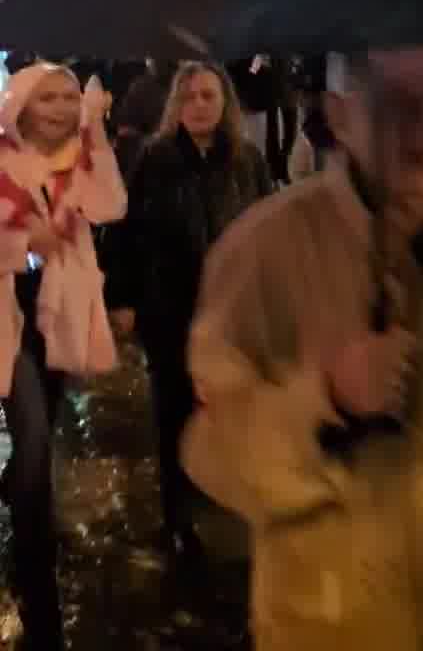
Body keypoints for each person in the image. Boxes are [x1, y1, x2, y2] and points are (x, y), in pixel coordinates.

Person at [182, 48, 423, 651]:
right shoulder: (262, 252)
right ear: (339, 116)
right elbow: (212, 453)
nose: (420, 129)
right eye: (393, 104)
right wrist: (325, 396)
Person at [114, 61, 271, 567]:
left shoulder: (247, 160)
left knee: (232, 405)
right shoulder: (155, 159)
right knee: (175, 411)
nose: (200, 105)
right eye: (190, 97)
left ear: (224, 101)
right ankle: (179, 517)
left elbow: (267, 225)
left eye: (208, 95)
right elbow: (127, 230)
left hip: (233, 309)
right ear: (176, 106)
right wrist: (124, 297)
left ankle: (227, 500)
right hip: (171, 307)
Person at [0, 63, 127, 650]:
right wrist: (27, 243)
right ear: (21, 104)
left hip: (61, 312)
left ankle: (25, 498)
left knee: (46, 423)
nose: (57, 106)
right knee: (35, 439)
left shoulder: (78, 157)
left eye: (68, 96)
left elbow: (111, 207)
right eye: (45, 96)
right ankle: (34, 570)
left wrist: (98, 137)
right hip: (9, 315)